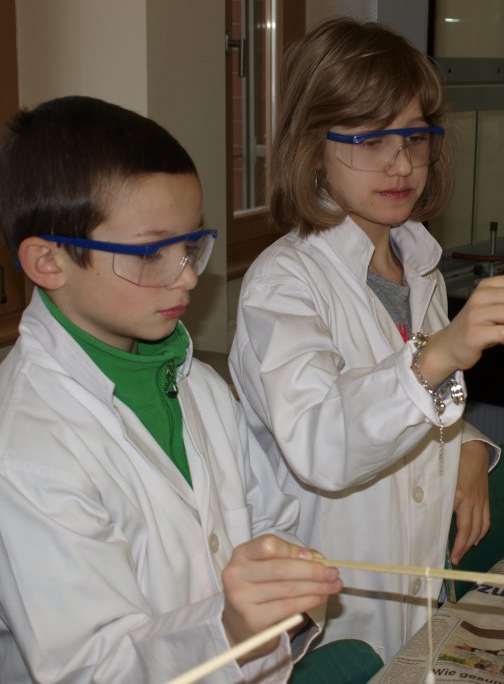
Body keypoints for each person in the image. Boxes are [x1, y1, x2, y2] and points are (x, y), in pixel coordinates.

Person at [228, 16, 504, 661]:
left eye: (414, 136)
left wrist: (466, 442)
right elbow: (322, 444)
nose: (401, 162)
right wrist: (442, 354)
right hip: (333, 619)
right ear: (311, 146)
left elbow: (404, 401)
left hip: (416, 600)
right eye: (370, 139)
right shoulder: (282, 285)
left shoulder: (417, 265)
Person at [0, 96, 343, 683]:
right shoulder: (26, 447)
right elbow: (89, 667)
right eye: (149, 253)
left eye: (189, 246)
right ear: (48, 262)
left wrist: (282, 581)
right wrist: (229, 631)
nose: (186, 275)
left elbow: (272, 521)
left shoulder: (198, 387)